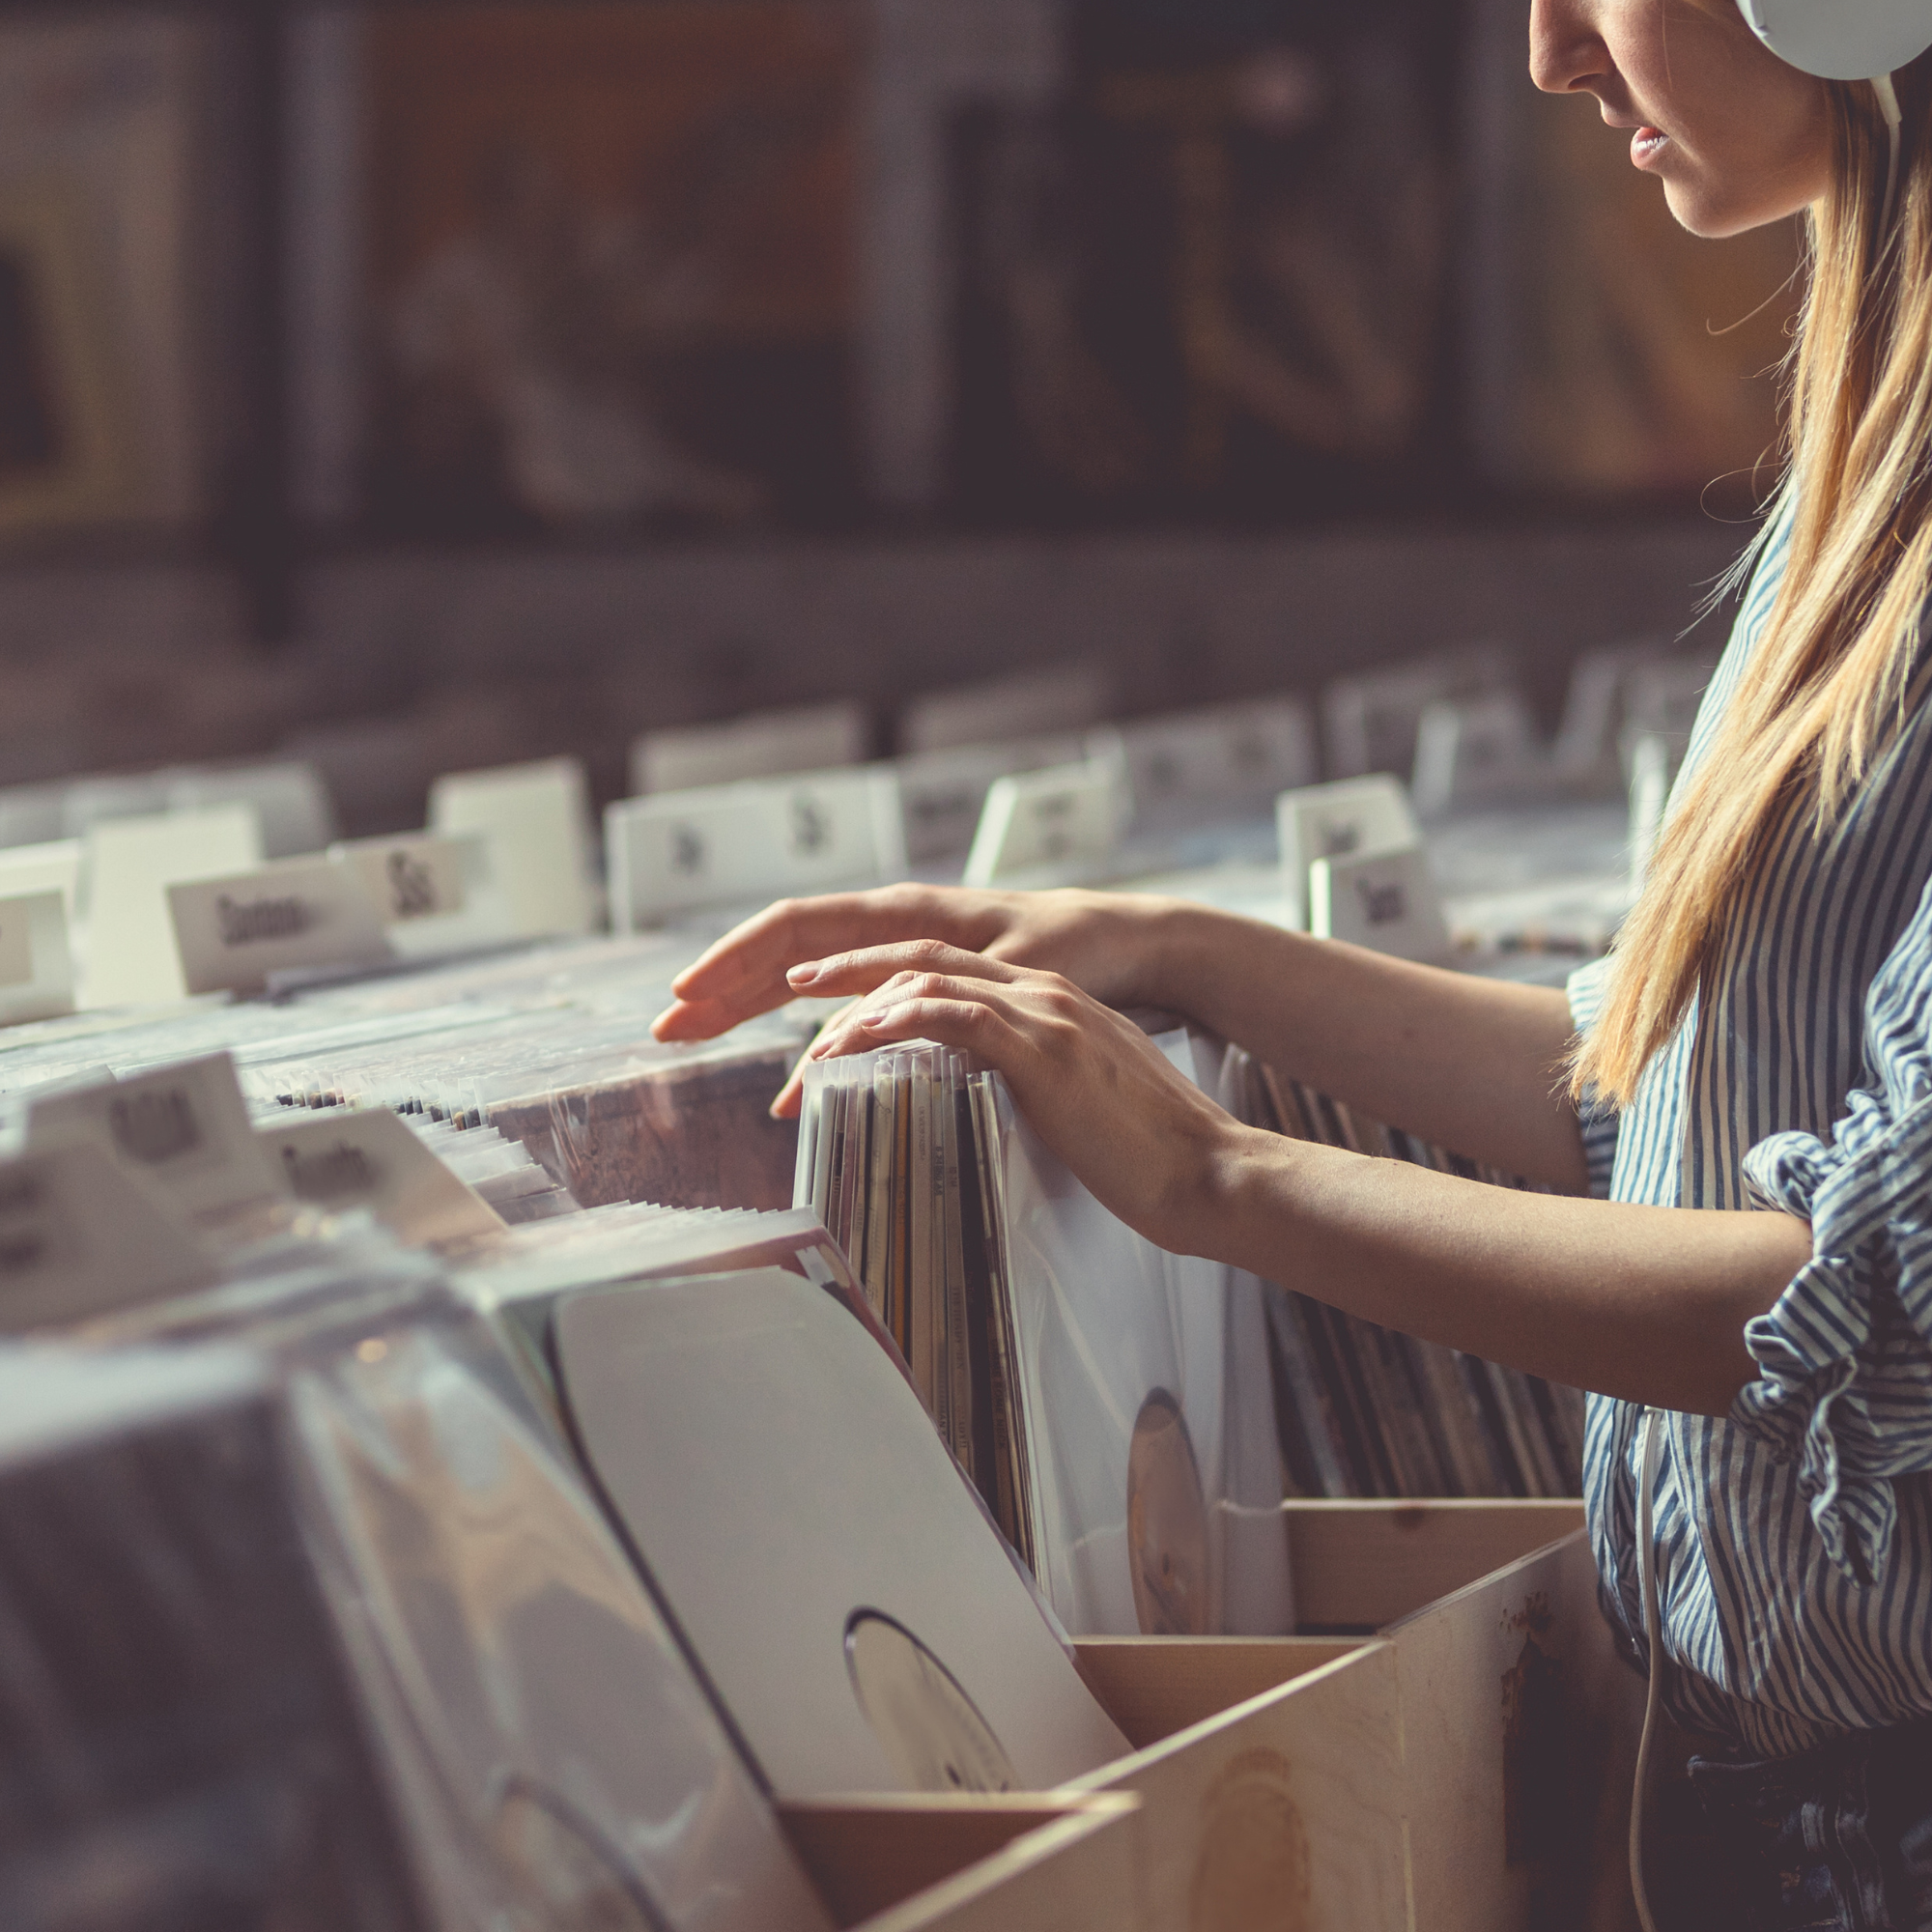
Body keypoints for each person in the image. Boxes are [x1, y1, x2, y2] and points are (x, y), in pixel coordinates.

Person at [654, 4, 1932, 1925]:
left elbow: (1875, 1295)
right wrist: (1186, 956)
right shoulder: (1874, 473)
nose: (1547, 61)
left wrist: (1214, 1178)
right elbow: (1670, 1103)